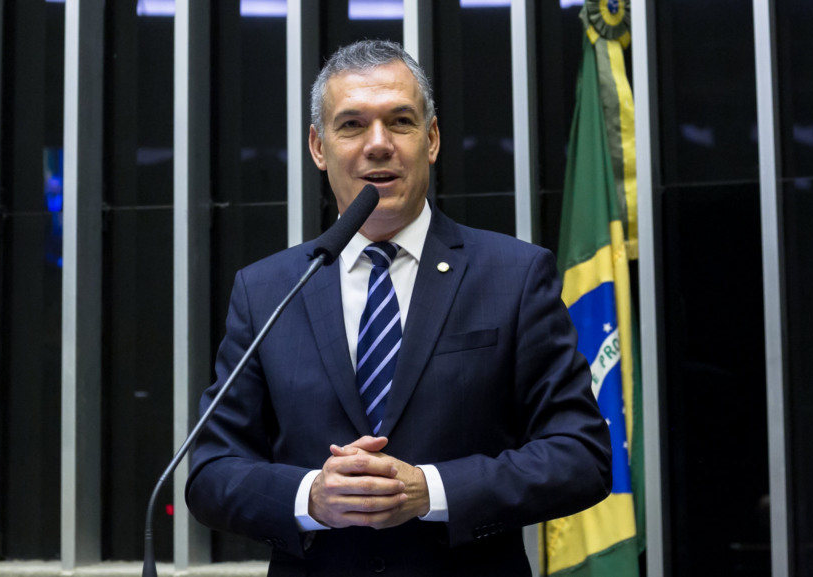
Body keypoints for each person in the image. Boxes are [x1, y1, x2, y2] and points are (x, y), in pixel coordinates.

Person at [186, 40, 611, 576]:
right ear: (318, 147)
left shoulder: (515, 275)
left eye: (401, 122)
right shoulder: (268, 289)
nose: (378, 144)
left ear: (431, 140)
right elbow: (209, 474)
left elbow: (582, 457)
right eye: (352, 125)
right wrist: (310, 497)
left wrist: (429, 490)